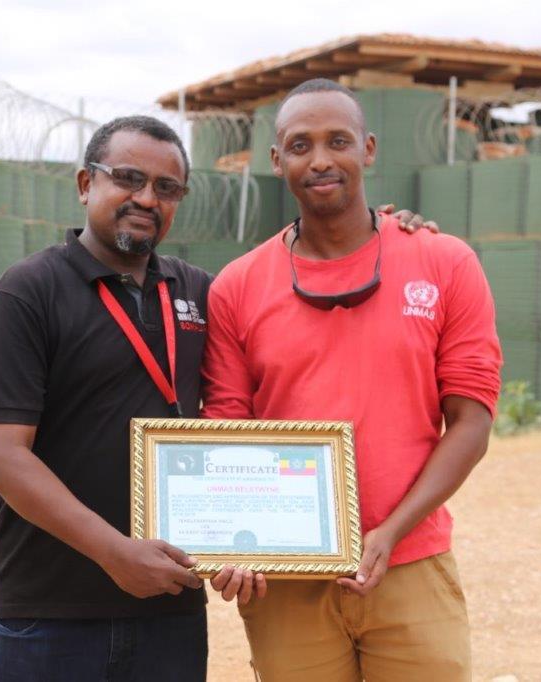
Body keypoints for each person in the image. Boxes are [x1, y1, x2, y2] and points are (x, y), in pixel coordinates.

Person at [0, 112, 435, 681]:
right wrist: (115, 552)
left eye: (167, 188)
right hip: (50, 611)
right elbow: (3, 456)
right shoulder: (27, 293)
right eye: (128, 178)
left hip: (169, 608)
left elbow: (277, 331)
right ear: (86, 183)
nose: (147, 198)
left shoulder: (198, 290)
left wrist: (381, 230)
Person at [202, 78, 502, 681]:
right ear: (276, 160)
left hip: (411, 560)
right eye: (300, 145)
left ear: (367, 148)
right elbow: (226, 430)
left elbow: (472, 421)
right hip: (287, 576)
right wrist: (232, 542)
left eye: (337, 141)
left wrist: (390, 533)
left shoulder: (445, 262)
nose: (320, 159)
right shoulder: (237, 285)